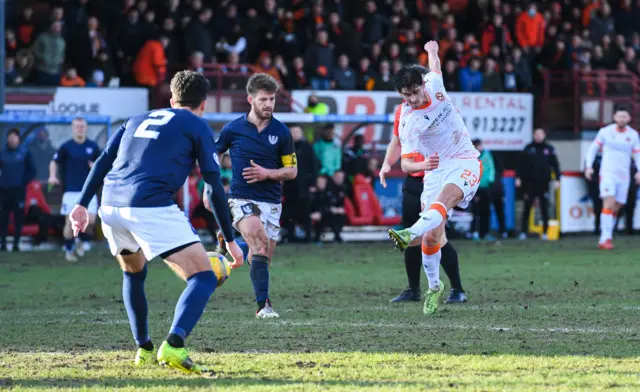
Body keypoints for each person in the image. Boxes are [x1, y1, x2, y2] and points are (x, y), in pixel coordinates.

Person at [68, 70, 243, 374]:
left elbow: (103, 161)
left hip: (110, 206)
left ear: (172, 99)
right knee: (203, 276)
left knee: (134, 274)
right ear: (203, 103)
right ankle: (174, 345)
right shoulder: (197, 124)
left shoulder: (136, 119)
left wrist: (82, 204)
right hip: (149, 206)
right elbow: (213, 187)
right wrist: (229, 240)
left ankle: (144, 349)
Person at [387, 41, 481, 315]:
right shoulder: (409, 120)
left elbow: (436, 66)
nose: (412, 99)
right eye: (406, 95)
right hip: (434, 170)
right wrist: (422, 163)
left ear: (422, 85)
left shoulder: (435, 84)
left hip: (464, 160)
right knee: (431, 239)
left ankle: (409, 232)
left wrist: (432, 51)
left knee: (444, 200)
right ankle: (434, 287)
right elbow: (404, 163)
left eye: (414, 92)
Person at [213, 73, 298, 318]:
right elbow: (214, 154)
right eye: (263, 99)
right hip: (241, 197)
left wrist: (266, 173)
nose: (269, 104)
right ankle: (264, 306)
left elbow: (292, 171)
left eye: (272, 99)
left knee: (259, 257)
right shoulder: (233, 129)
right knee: (260, 245)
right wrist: (214, 185)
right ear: (251, 99)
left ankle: (228, 241)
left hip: (271, 202)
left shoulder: (281, 132)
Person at [584, 109, 640, 249]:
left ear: (629, 118)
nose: (621, 119)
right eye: (619, 116)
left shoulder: (633, 135)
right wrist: (589, 166)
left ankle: (607, 233)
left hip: (624, 175)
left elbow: (638, 154)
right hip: (608, 173)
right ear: (614, 117)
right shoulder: (605, 132)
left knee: (618, 205)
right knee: (609, 202)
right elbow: (593, 149)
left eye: (624, 116)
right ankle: (605, 238)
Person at [48, 117, 101, 262]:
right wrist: (52, 176)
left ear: (86, 128)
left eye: (82, 126)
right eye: (77, 126)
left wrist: (95, 167)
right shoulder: (66, 147)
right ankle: (69, 249)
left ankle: (82, 242)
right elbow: (54, 162)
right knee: (70, 223)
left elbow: (101, 164)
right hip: (71, 191)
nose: (80, 128)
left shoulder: (93, 146)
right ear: (73, 128)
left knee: (90, 222)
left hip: (89, 191)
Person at [0, 129, 36, 251]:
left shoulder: (25, 153)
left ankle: (16, 244)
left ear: (18, 139)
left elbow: (32, 171)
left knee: (18, 217)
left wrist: (22, 182)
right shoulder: (2, 154)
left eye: (15, 137)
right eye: (10, 137)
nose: (12, 139)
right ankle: (3, 244)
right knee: (3, 217)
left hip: (19, 191)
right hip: (4, 191)